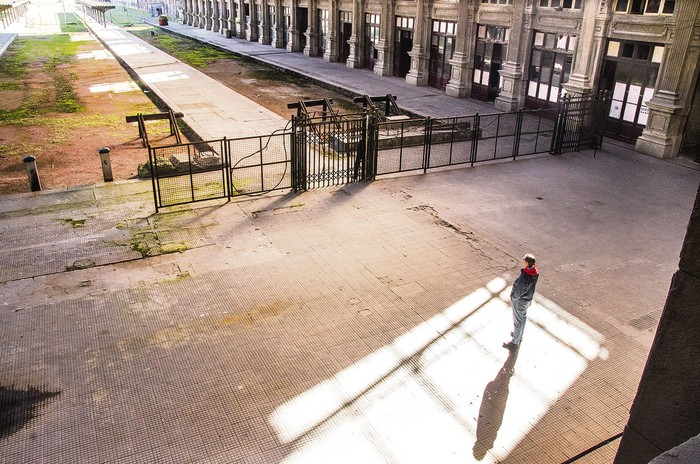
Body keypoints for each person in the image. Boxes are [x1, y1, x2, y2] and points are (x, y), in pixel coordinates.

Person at [503, 254, 539, 350]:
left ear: (527, 263)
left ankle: (515, 342)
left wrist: (513, 298)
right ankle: (518, 335)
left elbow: (518, 292)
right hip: (527, 299)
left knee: (517, 321)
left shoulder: (525, 276)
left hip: (520, 301)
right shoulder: (534, 272)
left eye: (524, 261)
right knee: (522, 318)